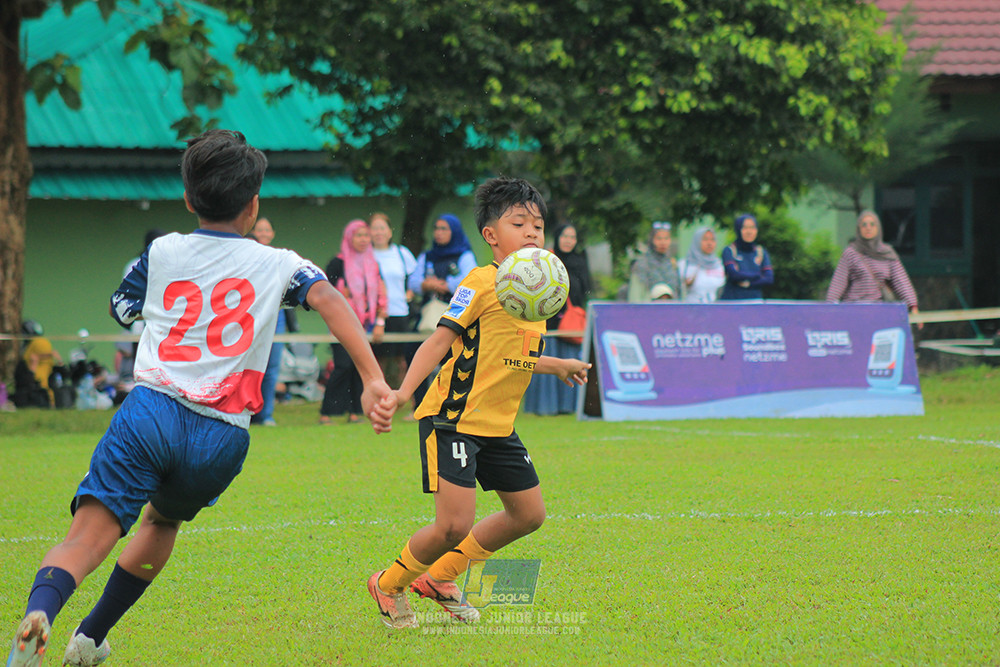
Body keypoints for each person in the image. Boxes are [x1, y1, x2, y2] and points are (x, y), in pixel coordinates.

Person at [5, 129, 395, 667]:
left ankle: (42, 610)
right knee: (161, 523)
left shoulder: (162, 251)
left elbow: (121, 308)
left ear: (189, 199)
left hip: (151, 412)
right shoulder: (279, 263)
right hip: (221, 434)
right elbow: (327, 296)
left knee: (86, 538)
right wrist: (372, 378)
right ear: (253, 204)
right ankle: (91, 638)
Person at [366, 176, 590, 629]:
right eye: (518, 224)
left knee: (528, 515)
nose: (531, 233)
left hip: (498, 425)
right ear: (491, 235)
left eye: (538, 226)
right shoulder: (481, 282)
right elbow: (438, 341)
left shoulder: (537, 291)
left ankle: (440, 577)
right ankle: (388, 583)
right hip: (454, 419)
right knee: (453, 526)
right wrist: (402, 392)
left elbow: (515, 354)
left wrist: (557, 365)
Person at [319, 219, 389, 425]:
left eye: (366, 235)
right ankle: (327, 412)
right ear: (349, 238)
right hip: (341, 326)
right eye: (358, 235)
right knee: (342, 366)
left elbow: (381, 294)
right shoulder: (337, 263)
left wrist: (380, 321)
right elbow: (325, 294)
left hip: (366, 326)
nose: (363, 240)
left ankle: (354, 412)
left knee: (360, 368)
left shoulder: (373, 264)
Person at [407, 214, 477, 410]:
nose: (439, 233)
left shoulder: (464, 255)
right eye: (436, 228)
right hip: (428, 318)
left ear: (454, 231)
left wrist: (445, 285)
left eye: (444, 229)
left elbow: (470, 280)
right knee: (418, 357)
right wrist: (426, 284)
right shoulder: (428, 256)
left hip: (455, 318)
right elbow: (413, 282)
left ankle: (449, 405)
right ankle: (419, 405)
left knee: (451, 362)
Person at [522, 222, 592, 415]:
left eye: (572, 237)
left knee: (569, 359)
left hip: (570, 324)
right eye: (565, 236)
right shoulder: (546, 259)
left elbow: (584, 291)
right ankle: (545, 407)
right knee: (547, 360)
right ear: (557, 238)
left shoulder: (580, 261)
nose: (568, 241)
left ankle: (568, 407)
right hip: (548, 321)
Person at [826, 209, 920, 322]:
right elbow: (838, 283)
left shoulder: (887, 253)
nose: (868, 228)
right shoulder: (851, 253)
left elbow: (901, 281)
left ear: (878, 228)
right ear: (859, 229)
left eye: (872, 224)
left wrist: (913, 306)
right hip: (854, 311)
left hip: (879, 312)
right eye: (864, 225)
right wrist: (828, 309)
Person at [248, 216, 296, 426]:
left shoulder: (279, 259)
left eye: (267, 230)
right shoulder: (245, 259)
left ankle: (266, 414)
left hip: (276, 318)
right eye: (260, 230)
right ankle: (246, 412)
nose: (264, 234)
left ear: (273, 234)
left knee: (272, 368)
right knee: (248, 367)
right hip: (250, 318)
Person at [369, 211, 418, 390]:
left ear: (390, 232)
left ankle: (405, 396)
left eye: (382, 228)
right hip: (374, 315)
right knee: (377, 361)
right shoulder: (366, 255)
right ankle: (379, 396)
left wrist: (410, 293)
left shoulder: (401, 253)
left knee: (402, 359)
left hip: (399, 312)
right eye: (374, 228)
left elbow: (415, 278)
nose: (378, 233)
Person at [720, 213, 774, 300]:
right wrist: (758, 275)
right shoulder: (729, 251)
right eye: (745, 228)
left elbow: (769, 279)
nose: (749, 232)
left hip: (755, 302)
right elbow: (734, 275)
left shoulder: (761, 252)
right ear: (738, 229)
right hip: (733, 302)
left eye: (752, 227)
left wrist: (748, 284)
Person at [628, 221, 680, 303]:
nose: (663, 242)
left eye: (666, 238)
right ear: (652, 240)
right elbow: (635, 297)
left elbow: (679, 293)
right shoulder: (642, 264)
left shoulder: (673, 264)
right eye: (659, 239)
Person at [678, 227, 725, 303]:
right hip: (691, 307)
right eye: (705, 239)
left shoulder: (719, 264)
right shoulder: (685, 264)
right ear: (697, 241)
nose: (709, 243)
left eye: (712, 240)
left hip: (714, 307)